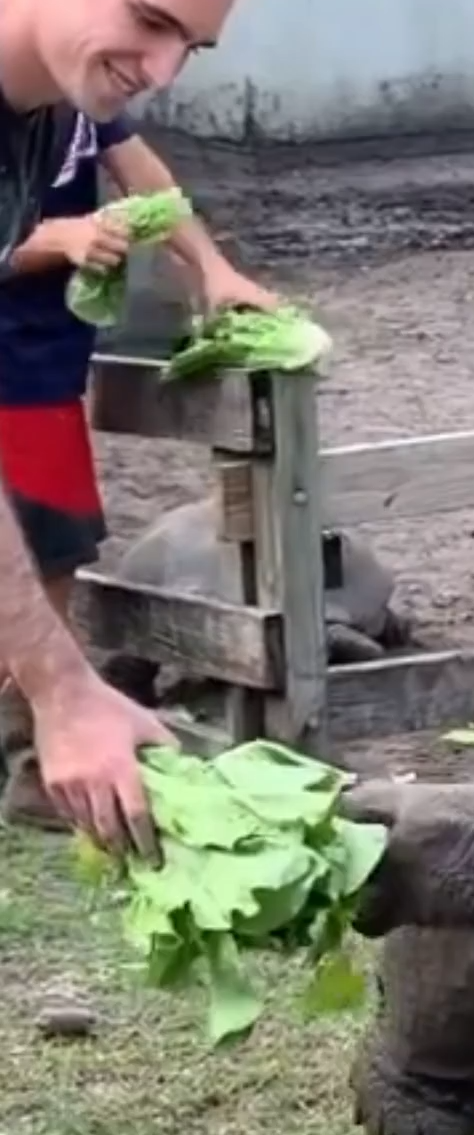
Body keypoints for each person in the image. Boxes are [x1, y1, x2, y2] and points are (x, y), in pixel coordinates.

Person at [0, 0, 245, 1135]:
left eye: (189, 49)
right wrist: (60, 683)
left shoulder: (43, 108)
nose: (158, 68)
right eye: (149, 19)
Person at [0, 109, 277, 827]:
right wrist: (55, 237)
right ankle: (39, 759)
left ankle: (35, 746)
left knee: (54, 550)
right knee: (37, 559)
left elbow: (150, 183)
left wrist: (212, 269)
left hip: (46, 365)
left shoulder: (79, 95)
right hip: (11, 367)